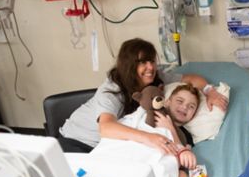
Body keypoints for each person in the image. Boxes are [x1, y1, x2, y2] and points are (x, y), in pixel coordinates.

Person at [59, 38, 228, 155]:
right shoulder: (112, 89)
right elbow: (106, 128)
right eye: (142, 62)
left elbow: (191, 78)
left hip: (109, 148)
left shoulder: (155, 79)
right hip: (78, 142)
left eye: (152, 61)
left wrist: (209, 91)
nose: (150, 67)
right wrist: (150, 139)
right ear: (129, 66)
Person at [155, 83, 200, 177]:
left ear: (193, 115)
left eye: (191, 106)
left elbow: (185, 159)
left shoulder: (186, 135)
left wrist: (171, 130)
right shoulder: (155, 114)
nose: (184, 107)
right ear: (167, 102)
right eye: (180, 101)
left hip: (161, 166)